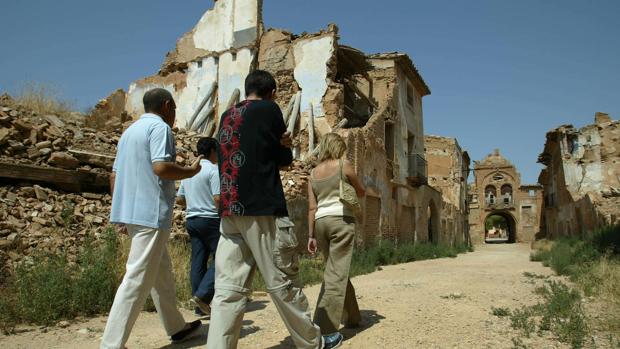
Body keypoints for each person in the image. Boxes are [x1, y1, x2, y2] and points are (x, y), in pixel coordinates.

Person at [206, 70, 323, 349]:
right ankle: (310, 342)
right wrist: (286, 146)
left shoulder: (227, 115)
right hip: (260, 206)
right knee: (281, 281)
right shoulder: (269, 110)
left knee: (228, 289)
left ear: (247, 89)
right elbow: (282, 159)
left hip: (229, 209)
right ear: (271, 92)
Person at [101, 88, 202, 349]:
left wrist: (120, 214)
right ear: (167, 106)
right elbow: (161, 167)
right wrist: (189, 172)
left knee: (162, 273)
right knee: (136, 277)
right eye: (175, 108)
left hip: (133, 212)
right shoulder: (161, 129)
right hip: (151, 213)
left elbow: (114, 176)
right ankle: (111, 343)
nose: (175, 114)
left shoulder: (128, 133)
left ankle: (176, 327)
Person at [307, 133, 366, 348]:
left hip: (321, 223)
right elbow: (360, 191)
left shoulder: (312, 173)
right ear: (338, 148)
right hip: (340, 220)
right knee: (336, 274)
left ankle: (353, 317)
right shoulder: (344, 164)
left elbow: (312, 208)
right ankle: (323, 330)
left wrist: (311, 235)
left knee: (337, 270)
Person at [176, 137, 221, 316]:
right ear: (212, 151)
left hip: (192, 220)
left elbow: (179, 199)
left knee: (197, 261)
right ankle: (203, 296)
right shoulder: (213, 170)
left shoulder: (189, 172)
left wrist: (195, 202)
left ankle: (198, 307)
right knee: (222, 258)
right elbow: (218, 198)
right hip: (210, 220)